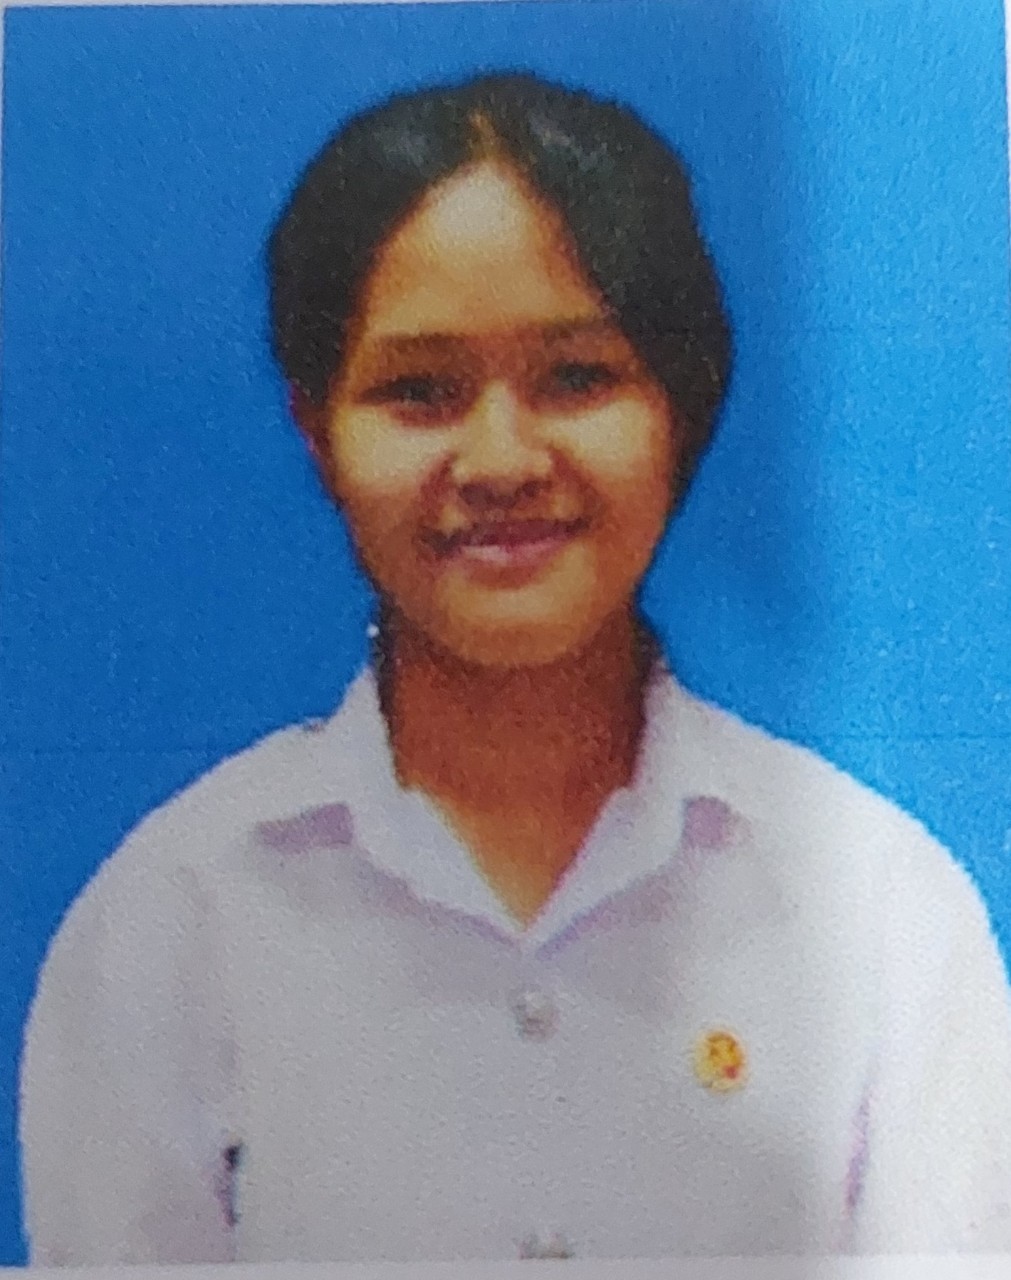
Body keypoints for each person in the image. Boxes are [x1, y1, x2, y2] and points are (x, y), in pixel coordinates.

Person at [19, 72, 1011, 1265]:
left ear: (682, 404)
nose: (500, 460)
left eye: (578, 377)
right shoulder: (175, 916)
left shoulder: (879, 910)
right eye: (420, 391)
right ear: (316, 428)